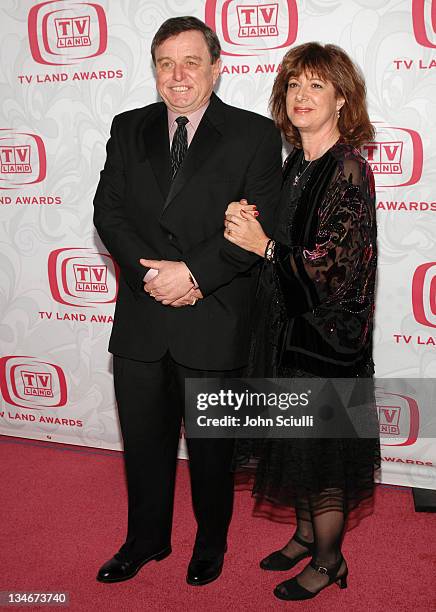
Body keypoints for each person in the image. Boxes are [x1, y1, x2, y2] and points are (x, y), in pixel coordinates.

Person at [93, 16, 282, 586]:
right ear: (154, 70)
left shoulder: (253, 134)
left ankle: (210, 541)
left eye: (191, 61)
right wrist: (154, 277)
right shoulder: (127, 127)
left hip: (215, 315)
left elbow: (258, 225)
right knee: (144, 444)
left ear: (216, 68)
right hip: (143, 316)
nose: (178, 75)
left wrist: (193, 275)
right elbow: (109, 213)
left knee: (210, 453)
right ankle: (145, 539)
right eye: (165, 63)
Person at [224, 42, 380, 601]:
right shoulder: (295, 163)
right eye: (294, 85)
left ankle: (331, 561)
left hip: (327, 341)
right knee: (298, 445)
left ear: (341, 99)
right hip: (288, 332)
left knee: (325, 456)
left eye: (317, 85)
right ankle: (305, 535)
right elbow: (288, 238)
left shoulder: (348, 169)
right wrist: (247, 220)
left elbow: (332, 267)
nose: (302, 96)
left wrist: (264, 246)